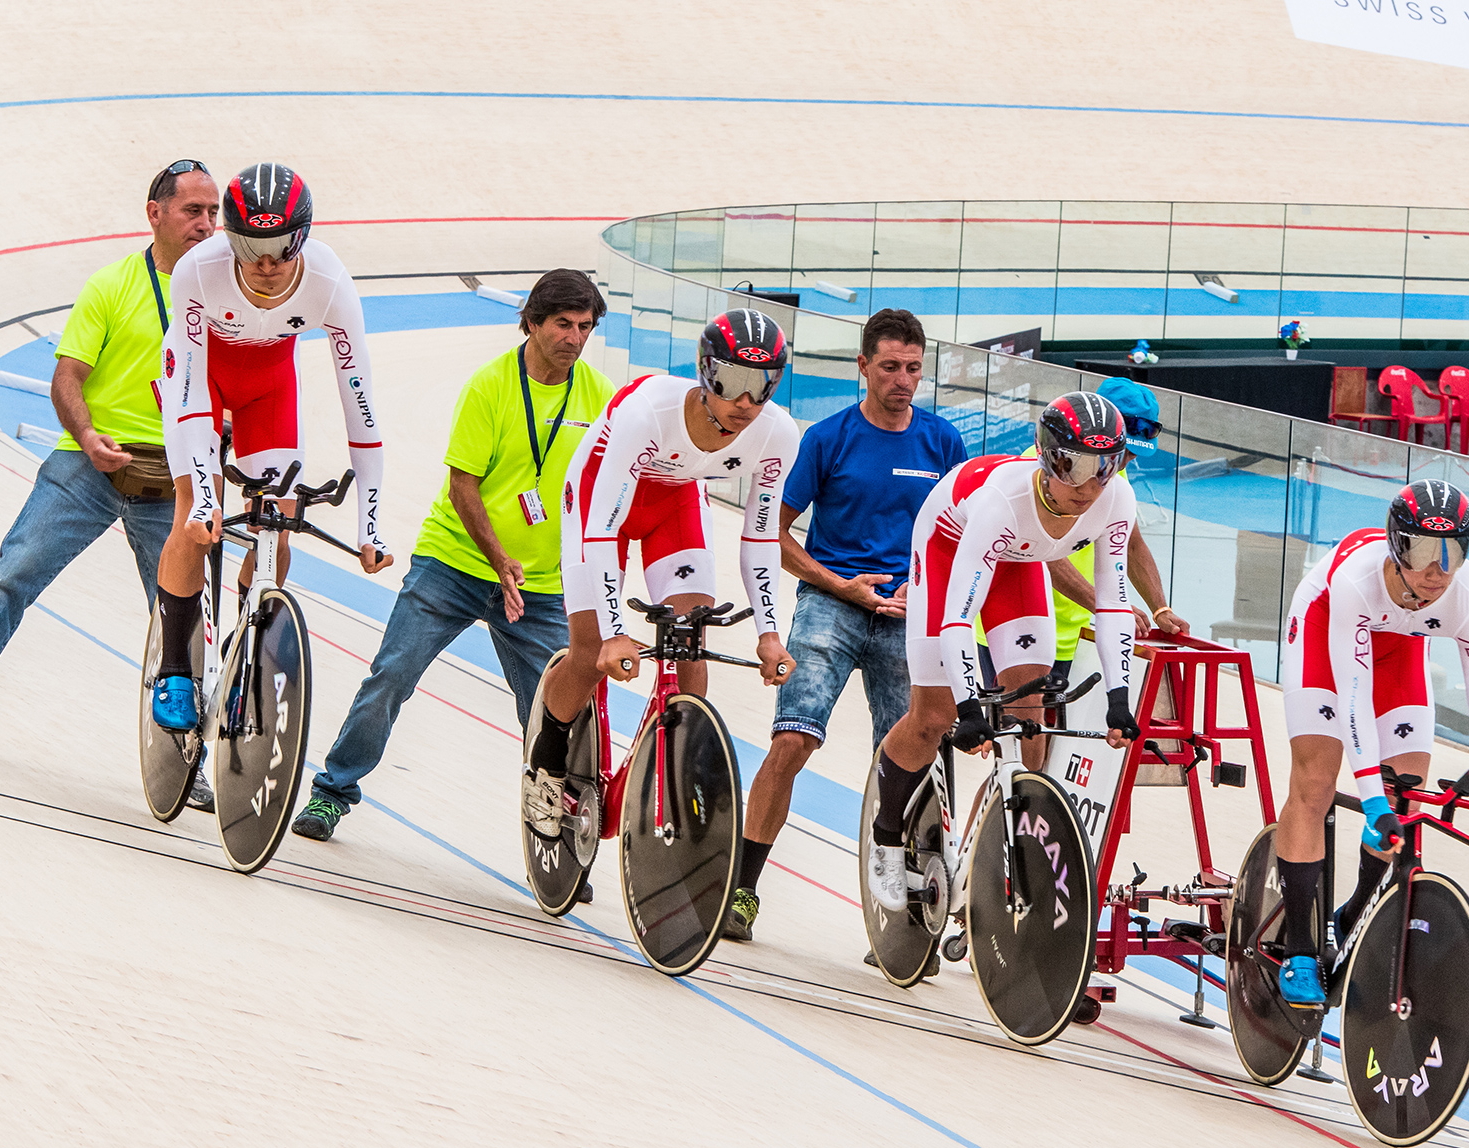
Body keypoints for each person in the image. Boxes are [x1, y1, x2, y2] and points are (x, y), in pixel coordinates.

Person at [0, 160, 221, 809]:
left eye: (213, 212)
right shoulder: (112, 286)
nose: (207, 224)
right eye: (193, 211)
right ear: (154, 213)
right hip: (90, 465)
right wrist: (89, 435)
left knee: (183, 624)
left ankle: (189, 754)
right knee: (13, 575)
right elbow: (67, 377)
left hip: (173, 480)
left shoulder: (222, 295)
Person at [291, 271, 613, 842]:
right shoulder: (489, 386)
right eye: (563, 324)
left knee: (553, 715)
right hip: (456, 564)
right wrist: (498, 561)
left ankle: (556, 841)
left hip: (537, 584)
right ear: (533, 323)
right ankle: (332, 793)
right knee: (391, 677)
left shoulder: (596, 394)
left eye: (585, 327)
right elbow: (464, 485)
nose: (575, 337)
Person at [524, 309, 799, 872]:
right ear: (705, 374)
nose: (746, 402)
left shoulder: (779, 434)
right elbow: (600, 527)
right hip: (602, 497)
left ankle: (675, 777)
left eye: (762, 385)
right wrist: (613, 633)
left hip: (673, 502)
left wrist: (770, 635)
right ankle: (546, 768)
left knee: (691, 650)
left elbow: (760, 537)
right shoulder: (647, 411)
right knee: (589, 651)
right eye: (733, 382)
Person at [728, 309, 967, 942]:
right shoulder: (827, 438)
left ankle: (912, 916)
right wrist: (840, 585)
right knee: (793, 741)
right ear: (862, 367)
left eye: (914, 369)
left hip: (906, 615)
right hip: (834, 604)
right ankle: (742, 890)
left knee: (917, 763)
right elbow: (772, 534)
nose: (903, 381)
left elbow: (962, 541)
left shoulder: (943, 443)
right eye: (889, 367)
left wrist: (923, 591)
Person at [865, 392, 1144, 914]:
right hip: (951, 548)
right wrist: (969, 706)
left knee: (1029, 716)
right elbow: (957, 618)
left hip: (1020, 560)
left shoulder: (1116, 500)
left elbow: (1112, 603)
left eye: (1106, 466)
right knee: (934, 714)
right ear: (1049, 458)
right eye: (1077, 466)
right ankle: (885, 837)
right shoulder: (1004, 500)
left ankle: (999, 859)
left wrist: (1118, 697)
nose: (1089, 485)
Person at [149, 163, 393, 733]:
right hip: (198, 379)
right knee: (193, 510)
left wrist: (371, 523)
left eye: (281, 247)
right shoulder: (197, 270)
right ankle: (176, 668)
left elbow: (362, 408)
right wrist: (206, 492)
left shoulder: (330, 281)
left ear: (303, 237)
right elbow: (186, 379)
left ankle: (245, 651)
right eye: (248, 246)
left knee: (278, 524)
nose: (264, 264)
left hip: (270, 386)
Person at [1273, 481, 1469, 1009]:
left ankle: (1354, 914)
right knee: (1317, 781)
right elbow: (1352, 699)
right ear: (1395, 546)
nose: (1437, 570)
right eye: (1420, 551)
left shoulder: (1468, 599)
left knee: (1405, 799)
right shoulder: (1355, 579)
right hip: (1329, 634)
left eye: (1453, 553)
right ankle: (1299, 948)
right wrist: (1368, 801)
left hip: (1399, 650)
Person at [1041, 377, 1189, 684]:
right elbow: (1041, 553)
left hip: (1077, 631)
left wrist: (1160, 607)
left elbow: (1132, 544)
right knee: (1027, 727)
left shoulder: (1115, 477)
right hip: (1021, 623)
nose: (1128, 460)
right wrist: (1106, 607)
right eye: (1124, 450)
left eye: (1134, 453)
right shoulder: (1046, 464)